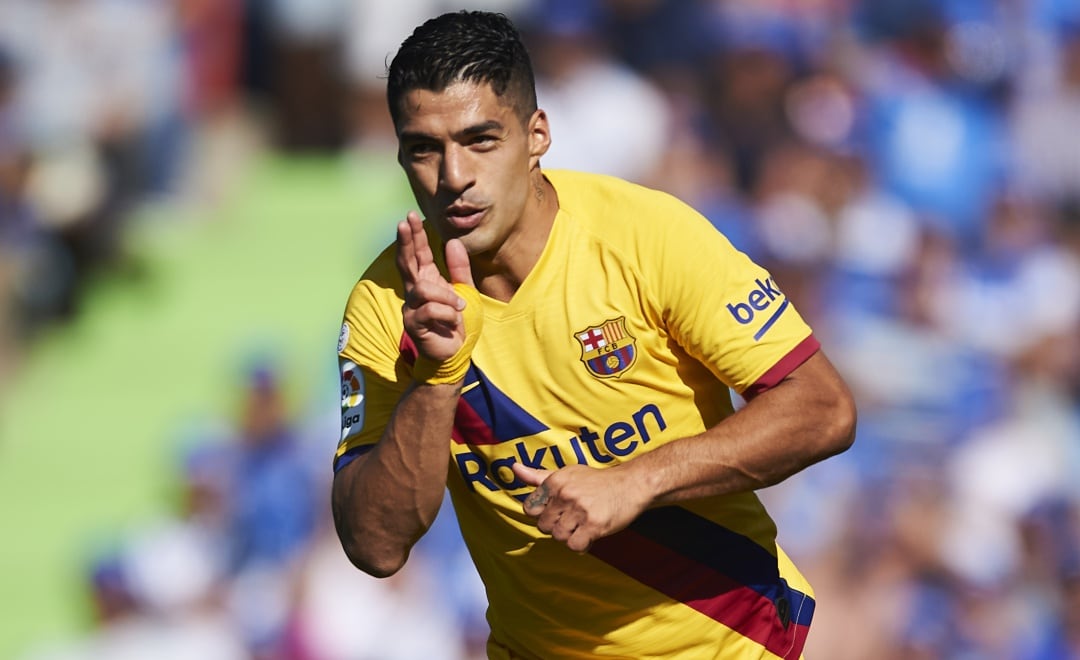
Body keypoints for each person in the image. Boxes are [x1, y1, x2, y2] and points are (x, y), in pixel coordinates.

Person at [331, 10, 856, 659]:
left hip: (732, 646)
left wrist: (634, 480)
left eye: (480, 140)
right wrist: (437, 378)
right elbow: (375, 546)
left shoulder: (646, 236)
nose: (454, 175)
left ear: (537, 134)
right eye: (424, 148)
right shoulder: (390, 305)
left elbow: (824, 409)